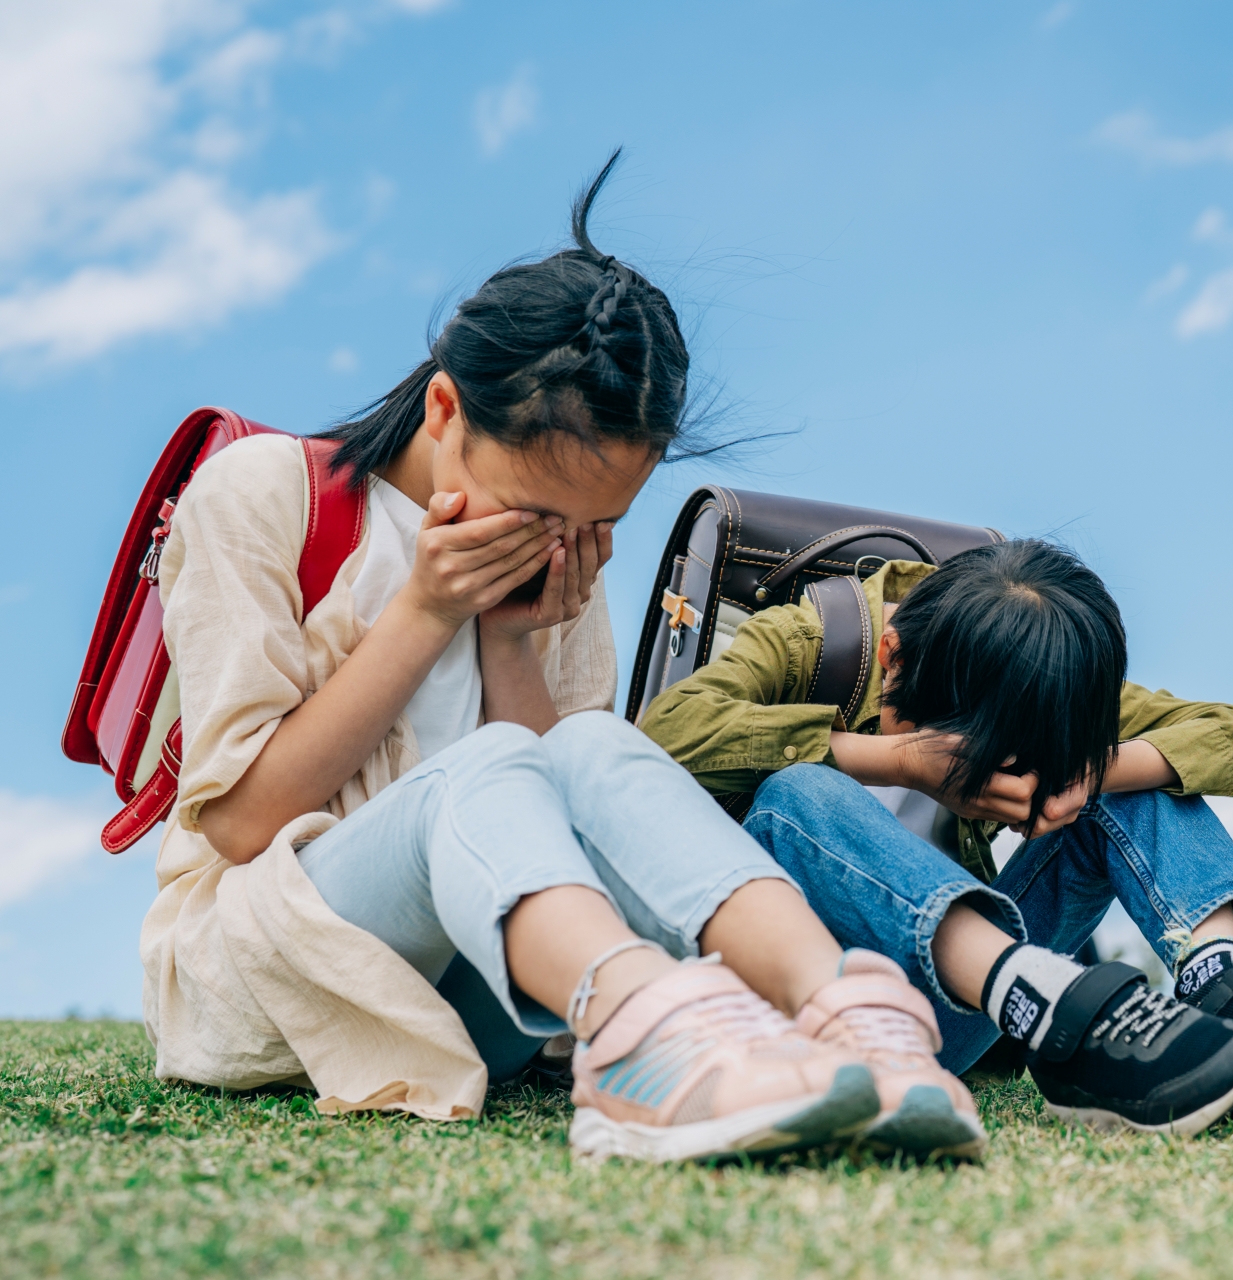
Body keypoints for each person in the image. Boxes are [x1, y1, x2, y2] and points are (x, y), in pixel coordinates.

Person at [142, 154, 986, 1164]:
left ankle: (842, 1010)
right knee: (494, 768)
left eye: (598, 522)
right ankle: (645, 1035)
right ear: (447, 411)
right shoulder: (261, 494)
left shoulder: (557, 550)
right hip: (271, 969)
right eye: (534, 510)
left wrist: (507, 633)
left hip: (483, 997)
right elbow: (238, 821)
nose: (560, 541)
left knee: (585, 740)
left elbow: (578, 809)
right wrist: (423, 607)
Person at [643, 540, 1233, 1134]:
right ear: (895, 659)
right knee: (800, 792)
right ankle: (1061, 1010)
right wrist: (904, 761)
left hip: (963, 1005)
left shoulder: (1025, 670)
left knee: (1126, 774)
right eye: (984, 756)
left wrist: (1088, 769)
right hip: (804, 1006)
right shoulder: (809, 645)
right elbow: (661, 738)